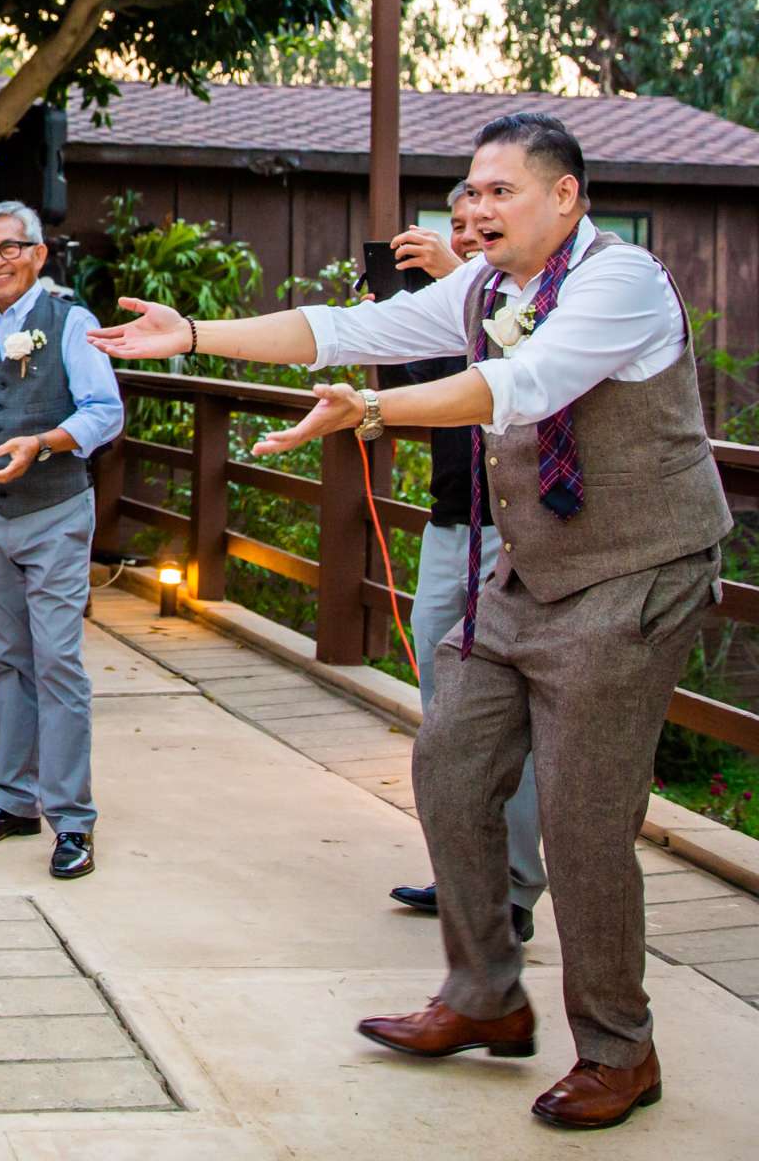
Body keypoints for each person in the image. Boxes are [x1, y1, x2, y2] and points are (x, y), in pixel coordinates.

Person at [89, 111, 731, 1132]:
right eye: (468, 192)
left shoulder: (622, 280)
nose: (474, 209)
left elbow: (523, 386)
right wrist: (199, 334)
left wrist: (379, 413)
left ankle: (622, 1049)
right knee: (448, 757)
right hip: (535, 568)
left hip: (636, 572)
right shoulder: (485, 287)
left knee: (580, 818)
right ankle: (486, 995)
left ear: (565, 197)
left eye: (499, 191)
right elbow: (350, 330)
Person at [0, 202, 124, 879]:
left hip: (55, 510)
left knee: (57, 662)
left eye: (9, 248)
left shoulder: (72, 324)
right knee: (9, 660)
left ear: (39, 255)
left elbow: (104, 411)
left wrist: (45, 443)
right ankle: (14, 799)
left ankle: (72, 820)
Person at [384, 187, 546, 944]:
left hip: (518, 533)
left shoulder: (534, 301)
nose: (465, 239)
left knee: (504, 712)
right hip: (449, 520)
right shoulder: (444, 305)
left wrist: (460, 274)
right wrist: (403, 298)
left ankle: (513, 886)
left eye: (480, 229)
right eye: (453, 229)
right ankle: (462, 872)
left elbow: (524, 381)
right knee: (444, 708)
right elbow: (404, 401)